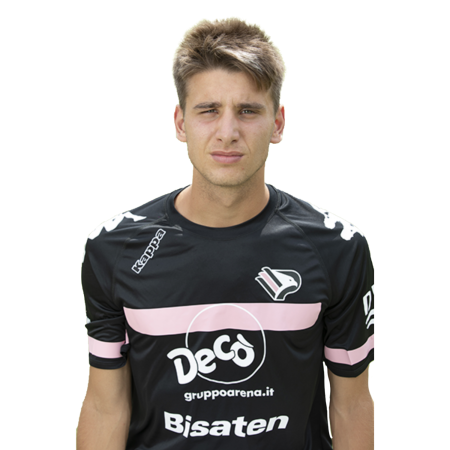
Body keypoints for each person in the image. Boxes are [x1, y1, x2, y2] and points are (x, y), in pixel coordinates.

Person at [77, 16, 375, 450]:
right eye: (209, 110)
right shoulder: (113, 248)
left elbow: (351, 404)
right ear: (180, 122)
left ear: (278, 123)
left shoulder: (338, 247)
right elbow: (106, 406)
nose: (228, 133)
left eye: (248, 111)